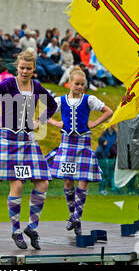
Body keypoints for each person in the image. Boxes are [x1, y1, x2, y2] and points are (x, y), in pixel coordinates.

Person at [0, 49, 58, 250]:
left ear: (33, 69)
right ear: (17, 67)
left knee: (43, 182)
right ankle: (16, 231)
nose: (24, 71)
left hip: (28, 140)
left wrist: (39, 120)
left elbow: (53, 105)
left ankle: (32, 227)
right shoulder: (7, 84)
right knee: (18, 186)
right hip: (8, 139)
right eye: (22, 67)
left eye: (28, 68)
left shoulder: (36, 86)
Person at [45, 66, 113, 235]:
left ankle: (77, 217)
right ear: (69, 83)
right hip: (67, 143)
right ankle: (73, 215)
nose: (79, 87)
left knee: (83, 179)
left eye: (82, 84)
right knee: (68, 181)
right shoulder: (60, 101)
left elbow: (108, 111)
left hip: (83, 143)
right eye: (77, 84)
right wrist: (57, 123)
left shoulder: (89, 100)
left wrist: (94, 123)